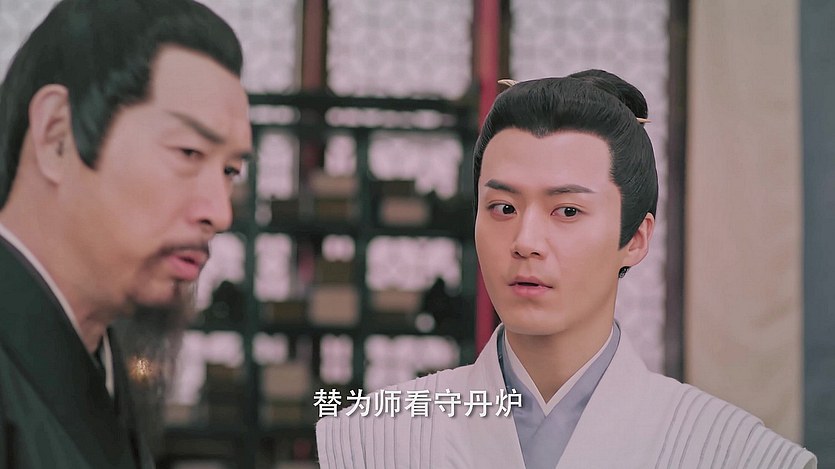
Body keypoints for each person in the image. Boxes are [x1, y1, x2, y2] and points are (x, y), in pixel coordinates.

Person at [315, 70, 817, 468]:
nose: (526, 242)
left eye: (568, 211)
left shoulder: (739, 453)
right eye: (503, 208)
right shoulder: (369, 439)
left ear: (635, 239)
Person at [0, 0, 252, 467]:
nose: (220, 213)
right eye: (189, 152)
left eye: (231, 171)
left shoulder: (103, 355)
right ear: (58, 135)